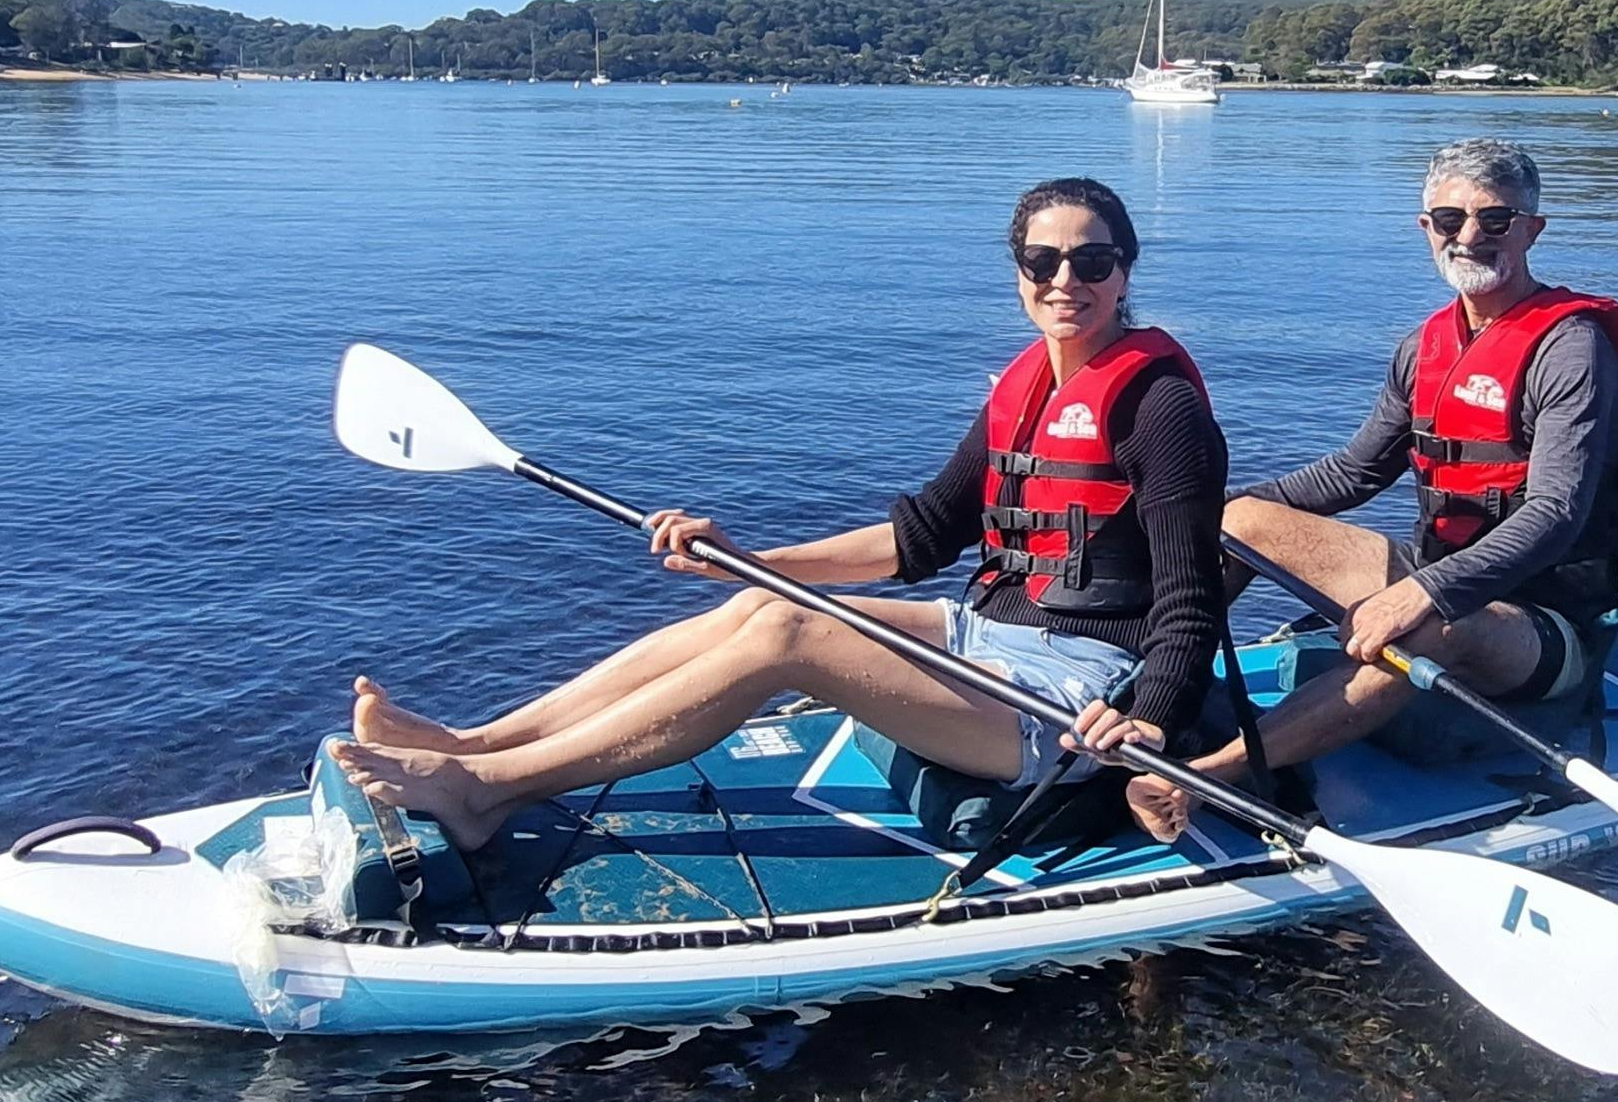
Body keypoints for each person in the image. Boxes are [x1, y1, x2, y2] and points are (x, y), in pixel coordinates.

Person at [340, 177, 1226, 853]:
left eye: (1091, 261)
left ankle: (488, 790)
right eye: (1043, 261)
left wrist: (1146, 722)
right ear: (1019, 274)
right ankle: (475, 741)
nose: (1065, 279)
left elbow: (1189, 601)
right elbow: (920, 536)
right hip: (985, 637)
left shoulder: (1159, 408)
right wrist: (745, 557)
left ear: (1123, 272)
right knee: (760, 607)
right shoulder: (1027, 384)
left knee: (787, 644)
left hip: (1078, 689)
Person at [1125, 135, 1618, 839]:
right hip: (1440, 573)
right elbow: (1354, 471)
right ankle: (1150, 691)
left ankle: (1211, 774)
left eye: (1494, 220)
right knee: (1239, 520)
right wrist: (1202, 512)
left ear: (1532, 229)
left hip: (1546, 623)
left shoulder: (1571, 347)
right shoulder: (1425, 346)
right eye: (1449, 220)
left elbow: (1558, 511)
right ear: (1425, 228)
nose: (1470, 236)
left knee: (1435, 624)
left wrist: (1426, 591)